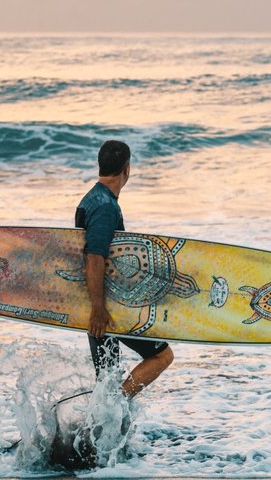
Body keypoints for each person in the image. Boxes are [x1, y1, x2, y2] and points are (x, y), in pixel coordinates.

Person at [75, 140, 174, 398]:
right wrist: (98, 308)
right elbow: (94, 255)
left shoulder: (93, 198)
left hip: (99, 303)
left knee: (107, 377)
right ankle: (115, 405)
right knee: (162, 355)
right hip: (107, 307)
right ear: (126, 170)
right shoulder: (105, 207)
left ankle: (100, 425)